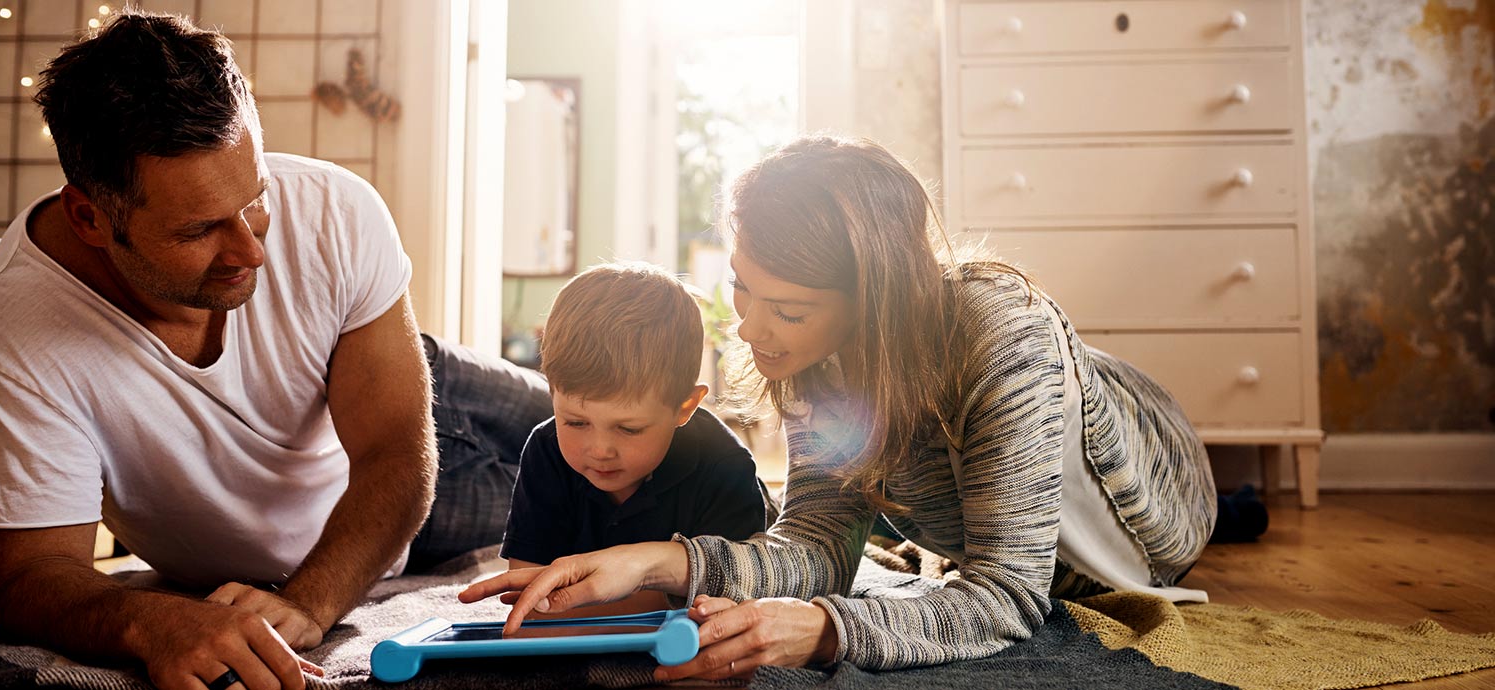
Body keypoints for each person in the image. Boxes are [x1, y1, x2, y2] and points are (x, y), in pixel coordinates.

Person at [460, 136, 1219, 680]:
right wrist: (657, 561)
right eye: (742, 290)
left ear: (874, 304)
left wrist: (827, 629)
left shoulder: (1002, 335)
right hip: (986, 488)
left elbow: (1009, 594)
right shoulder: (817, 359)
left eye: (787, 311)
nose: (750, 331)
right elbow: (821, 545)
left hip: (1153, 487)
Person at [0, 13, 549, 690]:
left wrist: (310, 604)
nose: (251, 249)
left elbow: (394, 445)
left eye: (256, 200)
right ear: (89, 218)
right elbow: (29, 577)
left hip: (395, 395)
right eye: (200, 229)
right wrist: (147, 621)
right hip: (391, 511)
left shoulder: (336, 208)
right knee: (614, 498)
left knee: (653, 423)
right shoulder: (13, 329)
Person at [500, 263, 773, 616]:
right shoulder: (545, 449)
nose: (599, 450)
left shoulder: (726, 468)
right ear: (552, 392)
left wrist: (572, 606)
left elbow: (725, 600)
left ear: (684, 407)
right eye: (576, 422)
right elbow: (526, 594)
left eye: (628, 429)